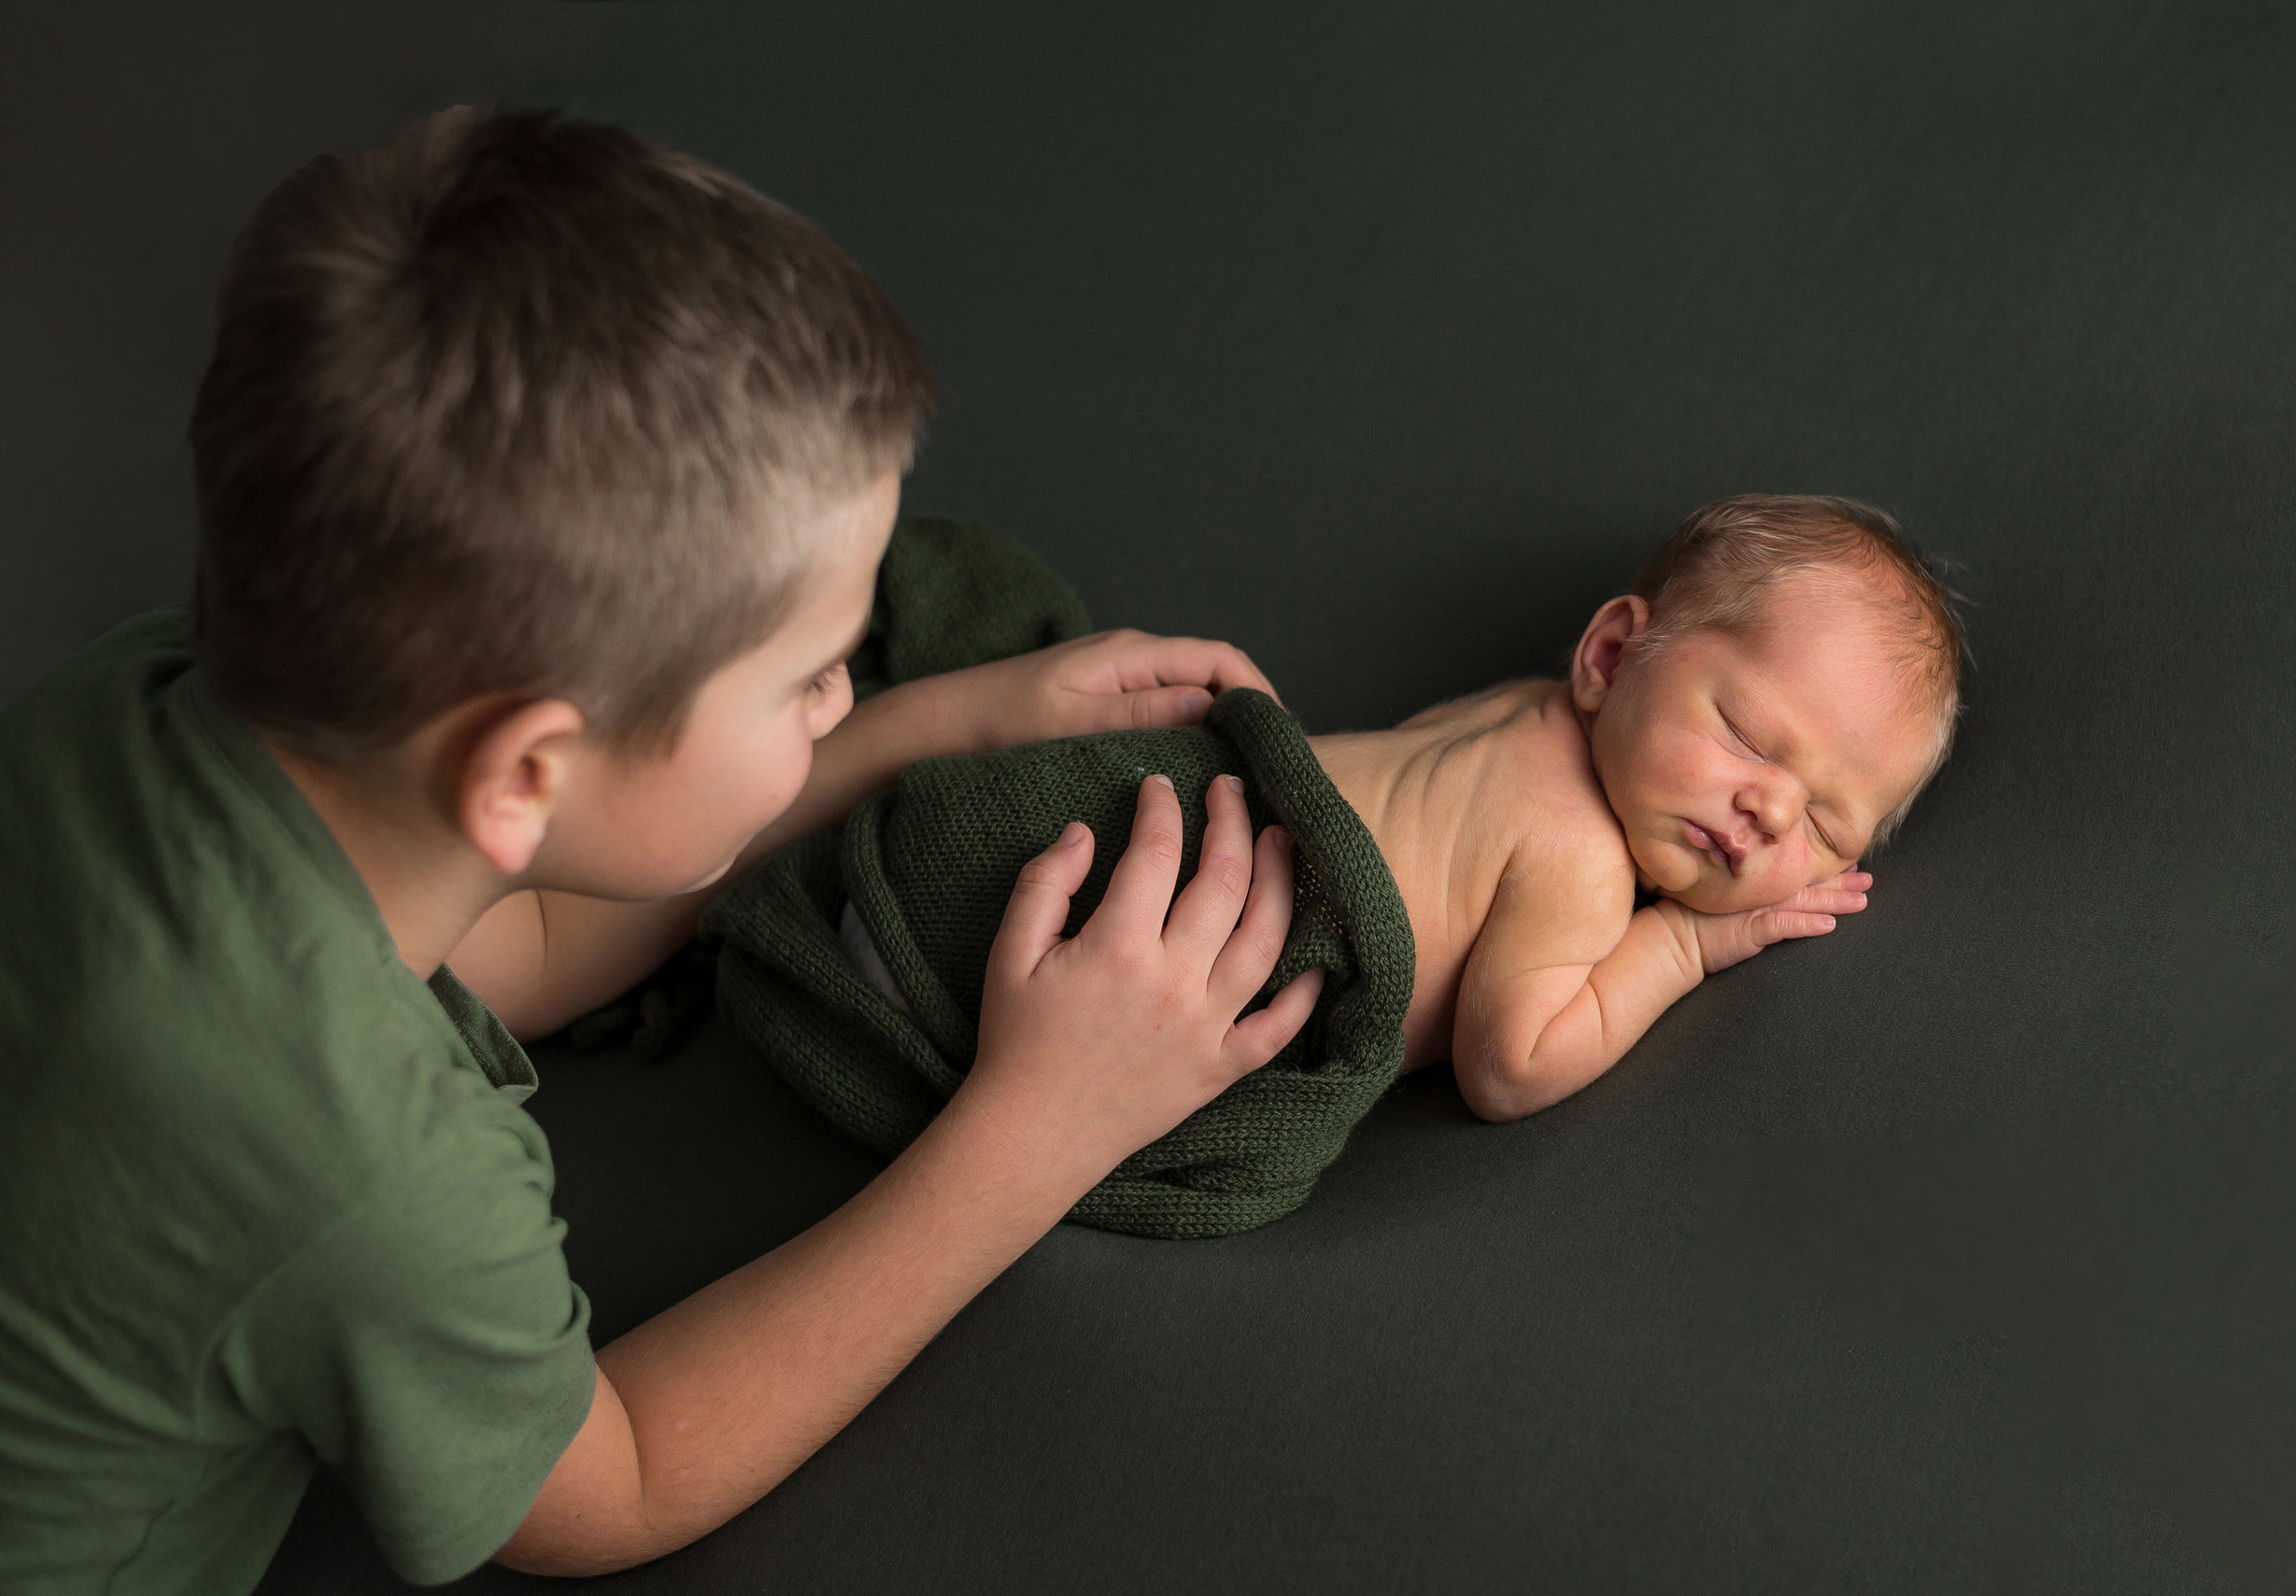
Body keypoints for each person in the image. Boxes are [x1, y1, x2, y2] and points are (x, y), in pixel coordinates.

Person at [0, 106, 1323, 1591]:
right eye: (810, 672)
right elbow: (613, 1484)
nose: (847, 686)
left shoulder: (127, 712)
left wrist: (916, 729)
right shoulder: (373, 1177)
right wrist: (1040, 1129)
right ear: (529, 768)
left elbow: (519, 951)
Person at [807, 494, 1964, 1155]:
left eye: (1825, 821)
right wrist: (1677, 946)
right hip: (1060, 964)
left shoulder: (1521, 711)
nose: (1768, 809)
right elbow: (1507, 1067)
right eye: (1753, 740)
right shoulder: (1577, 866)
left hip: (1043, 828)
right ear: (1612, 654)